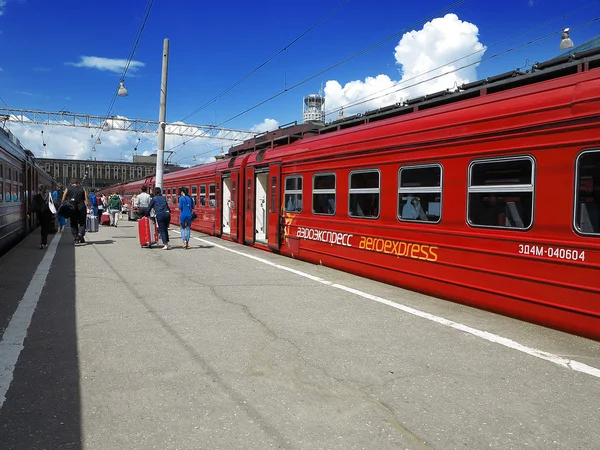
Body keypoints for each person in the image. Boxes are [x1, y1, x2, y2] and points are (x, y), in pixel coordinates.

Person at [62, 178, 91, 244]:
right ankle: (80, 235)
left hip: (72, 208)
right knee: (82, 223)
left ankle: (76, 237)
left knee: (73, 223)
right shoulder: (82, 189)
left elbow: (63, 198)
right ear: (77, 183)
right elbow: (86, 199)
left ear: (70, 183)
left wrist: (63, 205)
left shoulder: (67, 189)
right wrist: (89, 207)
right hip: (81, 207)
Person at [31, 184, 55, 249]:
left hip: (40, 214)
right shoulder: (49, 195)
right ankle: (44, 242)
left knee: (43, 228)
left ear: (39, 189)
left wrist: (30, 212)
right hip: (48, 214)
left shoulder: (36, 196)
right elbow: (54, 203)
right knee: (46, 228)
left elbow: (33, 205)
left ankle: (42, 243)